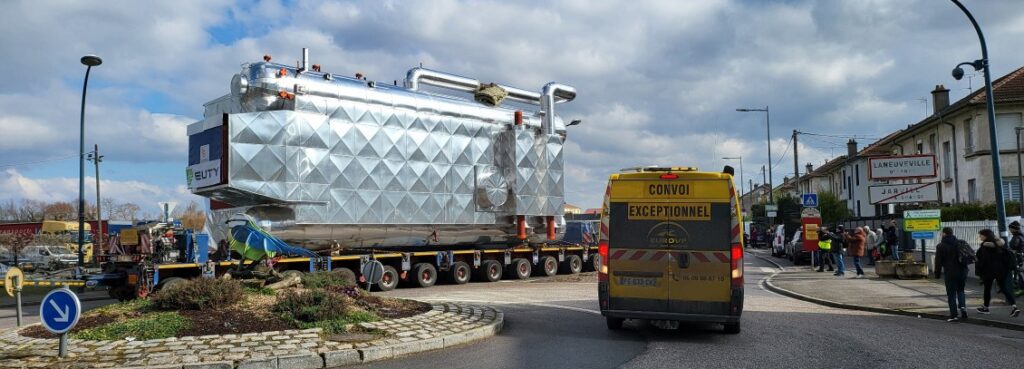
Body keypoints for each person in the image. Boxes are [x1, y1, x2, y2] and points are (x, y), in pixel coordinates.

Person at [975, 229, 1020, 317]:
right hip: (1001, 271)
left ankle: (986, 308)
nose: (980, 237)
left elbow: (982, 261)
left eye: (981, 235)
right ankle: (1015, 307)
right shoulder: (1000, 245)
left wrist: (980, 272)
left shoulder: (984, 246)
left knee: (987, 289)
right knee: (1004, 289)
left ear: (985, 236)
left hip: (988, 272)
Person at [934, 227, 969, 322]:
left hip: (950, 272)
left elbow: (938, 262)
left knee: (951, 294)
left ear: (944, 234)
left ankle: (954, 315)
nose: (941, 234)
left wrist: (937, 274)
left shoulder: (941, 246)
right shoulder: (960, 242)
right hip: (963, 271)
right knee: (961, 290)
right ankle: (963, 307)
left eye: (941, 233)